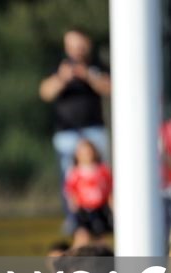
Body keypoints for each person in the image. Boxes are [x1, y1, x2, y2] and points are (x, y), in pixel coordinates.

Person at [39, 29, 111, 229]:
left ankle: (103, 217)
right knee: (70, 178)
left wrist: (88, 76)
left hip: (94, 130)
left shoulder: (96, 65)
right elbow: (45, 92)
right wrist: (62, 78)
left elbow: (110, 88)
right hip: (67, 132)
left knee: (100, 175)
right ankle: (74, 219)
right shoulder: (59, 66)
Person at [63, 139, 113, 247]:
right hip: (83, 211)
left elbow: (109, 190)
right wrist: (73, 208)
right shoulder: (74, 172)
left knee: (100, 239)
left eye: (89, 152)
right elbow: (70, 191)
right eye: (83, 153)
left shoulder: (103, 170)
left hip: (100, 210)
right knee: (82, 237)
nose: (87, 155)